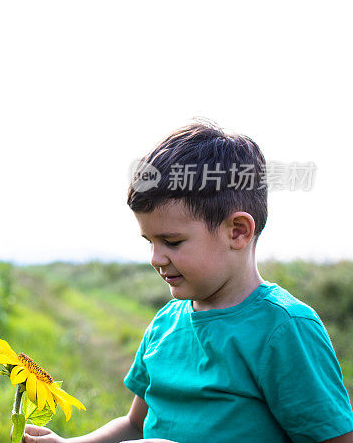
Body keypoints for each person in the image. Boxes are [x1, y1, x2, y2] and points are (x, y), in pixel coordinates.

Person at [22, 121, 353, 443]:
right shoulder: (165, 323)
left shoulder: (284, 329)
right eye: (149, 241)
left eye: (172, 241)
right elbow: (135, 424)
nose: (155, 258)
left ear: (237, 231)